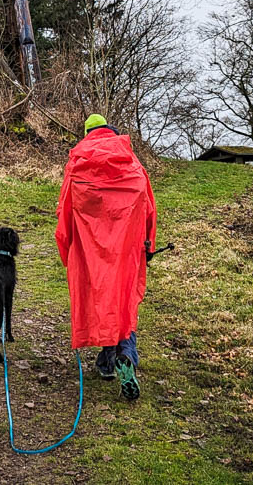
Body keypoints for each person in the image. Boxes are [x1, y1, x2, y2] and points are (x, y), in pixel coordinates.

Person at [54, 113, 157, 401]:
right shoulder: (132, 164)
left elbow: (65, 211)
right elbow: (149, 208)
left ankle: (108, 362)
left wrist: (68, 248)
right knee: (123, 301)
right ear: (110, 131)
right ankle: (124, 355)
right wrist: (147, 246)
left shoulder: (77, 166)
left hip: (91, 250)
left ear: (87, 134)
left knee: (102, 299)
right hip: (127, 247)